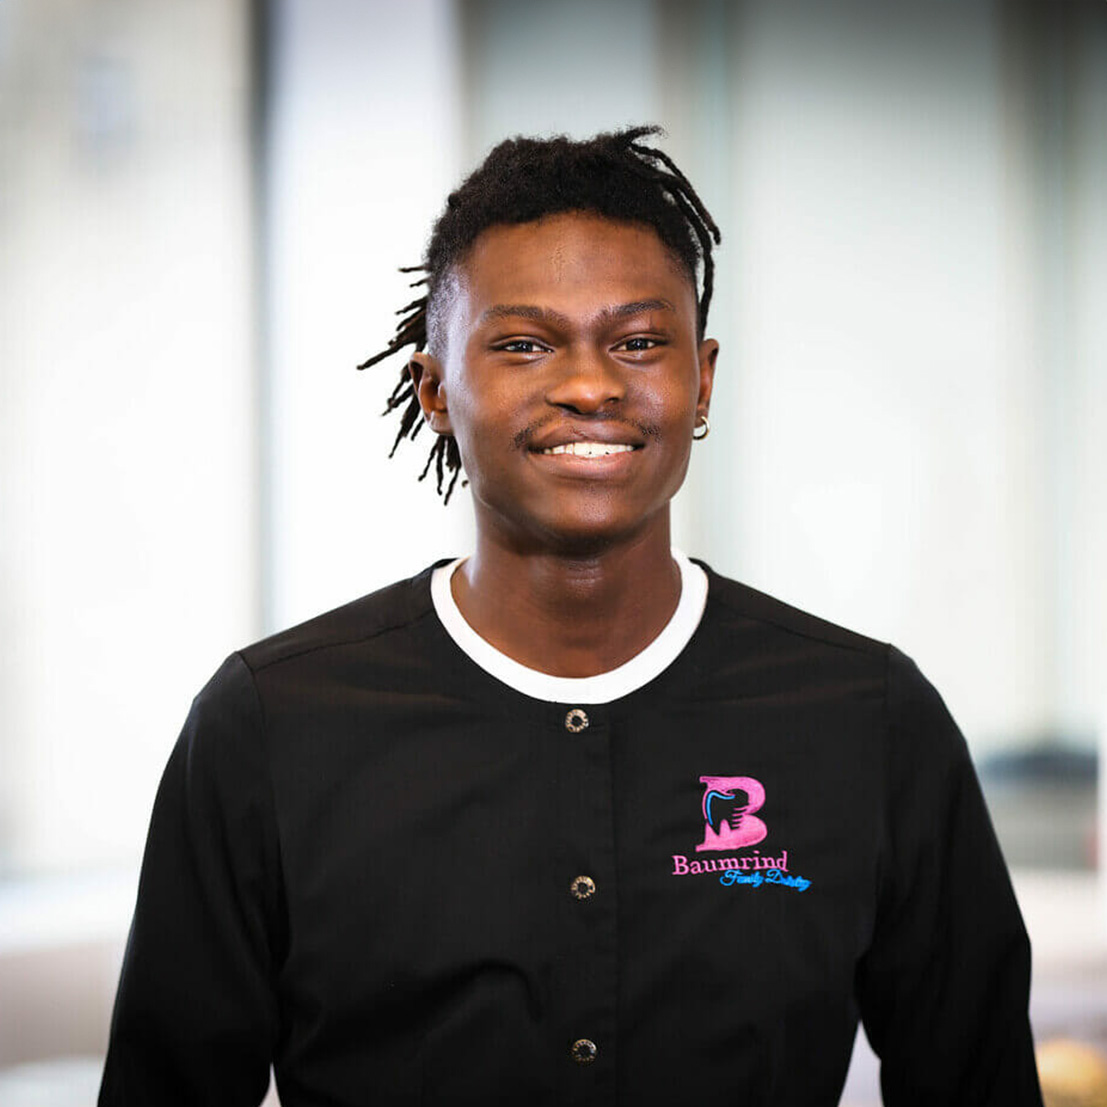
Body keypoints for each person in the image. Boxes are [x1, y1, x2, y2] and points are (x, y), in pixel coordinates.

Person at [99, 126, 1043, 1106]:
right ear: (435, 391)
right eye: (522, 344)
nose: (590, 386)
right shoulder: (269, 725)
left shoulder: (868, 719)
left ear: (703, 380)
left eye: (638, 343)